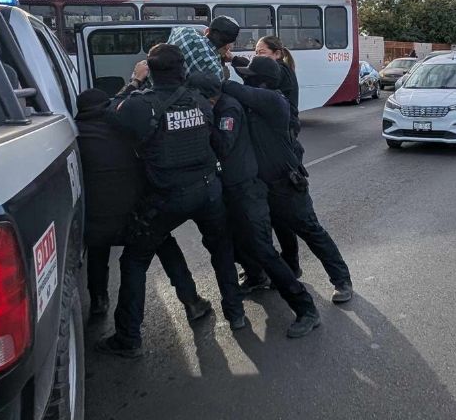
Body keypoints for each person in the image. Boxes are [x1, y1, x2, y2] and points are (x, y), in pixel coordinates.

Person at [96, 44, 244, 358]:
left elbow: (109, 111)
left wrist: (135, 81)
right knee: (221, 249)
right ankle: (236, 313)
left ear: (150, 69)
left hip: (168, 197)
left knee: (134, 260)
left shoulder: (141, 104)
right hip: (207, 190)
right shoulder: (201, 101)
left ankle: (128, 337)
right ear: (182, 69)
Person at [188, 72, 321, 338]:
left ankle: (306, 308)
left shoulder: (228, 109)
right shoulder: (219, 106)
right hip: (230, 190)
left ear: (204, 96)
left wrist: (204, 123)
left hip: (248, 191)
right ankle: (253, 283)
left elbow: (223, 146)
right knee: (229, 246)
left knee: (264, 250)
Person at [222, 56, 353, 304]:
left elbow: (231, 87)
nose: (246, 78)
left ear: (261, 82)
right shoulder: (257, 100)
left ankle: (341, 279)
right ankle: (281, 271)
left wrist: (215, 78)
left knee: (311, 231)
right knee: (268, 234)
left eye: (250, 76)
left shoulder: (273, 101)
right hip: (263, 186)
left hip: (287, 184)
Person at [75, 89, 212, 322]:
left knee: (98, 251)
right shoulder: (124, 130)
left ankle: (98, 302)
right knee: (164, 244)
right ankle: (192, 301)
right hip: (136, 217)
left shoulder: (76, 137)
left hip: (97, 220)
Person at [252, 36, 303, 278]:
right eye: (255, 52)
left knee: (284, 216)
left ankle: (291, 265)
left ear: (277, 54)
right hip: (278, 147)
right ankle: (281, 265)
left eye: (261, 52)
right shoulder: (281, 70)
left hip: (283, 151)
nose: (256, 56)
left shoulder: (280, 72)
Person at [166, 15, 241, 80]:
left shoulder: (184, 32)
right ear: (227, 46)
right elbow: (215, 89)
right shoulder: (215, 70)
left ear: (207, 30)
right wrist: (221, 61)